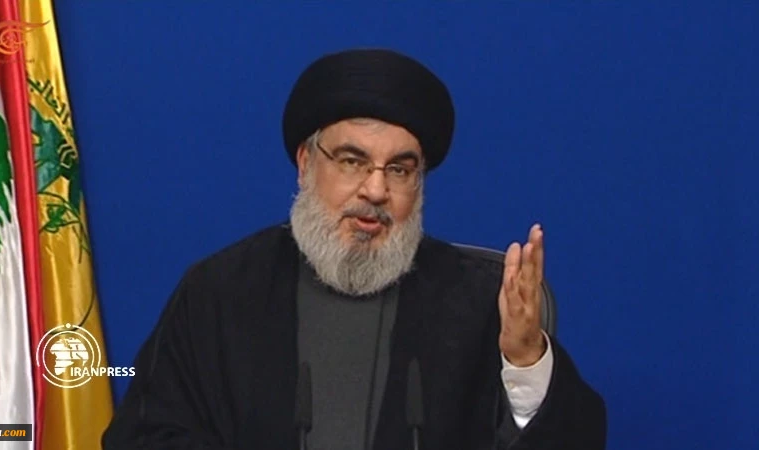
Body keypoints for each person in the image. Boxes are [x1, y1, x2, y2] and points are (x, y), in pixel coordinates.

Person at [102, 48, 606, 450]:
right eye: (351, 161)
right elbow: (145, 434)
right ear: (306, 163)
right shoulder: (219, 292)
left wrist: (525, 359)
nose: (376, 190)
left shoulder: (479, 301)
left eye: (399, 170)